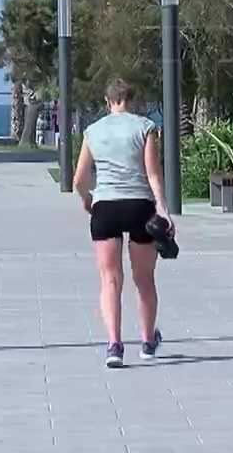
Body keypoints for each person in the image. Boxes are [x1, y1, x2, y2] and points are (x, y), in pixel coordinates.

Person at [73, 77, 173, 369]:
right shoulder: (144, 128)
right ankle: (147, 341)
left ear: (108, 102)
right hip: (139, 206)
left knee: (110, 279)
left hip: (105, 207)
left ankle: (114, 345)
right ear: (132, 100)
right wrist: (163, 211)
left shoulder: (93, 131)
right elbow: (154, 175)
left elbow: (78, 179)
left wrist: (87, 200)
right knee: (144, 279)